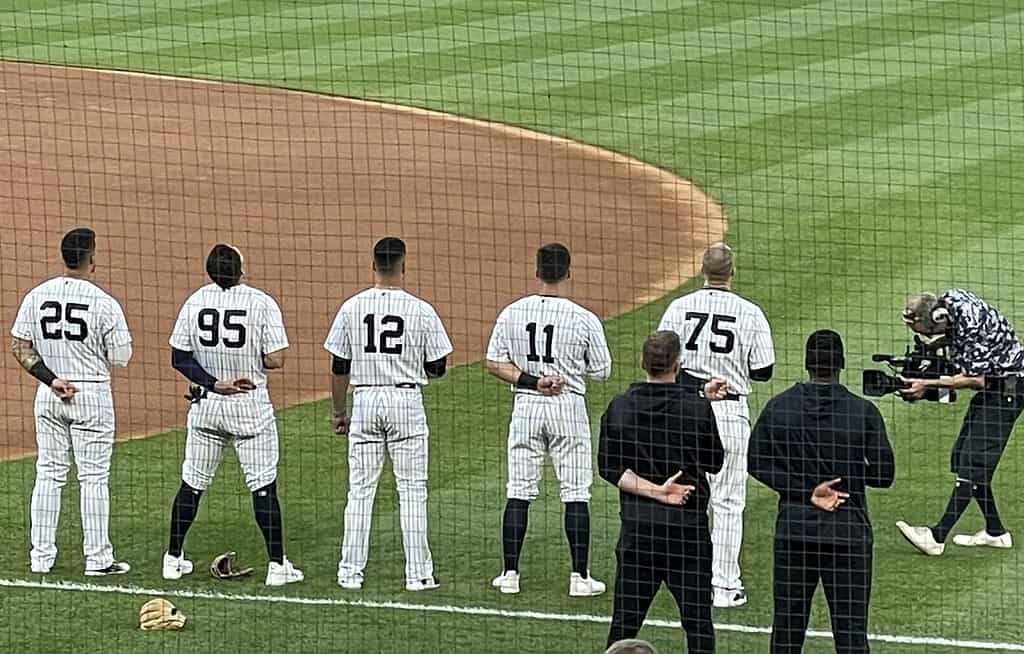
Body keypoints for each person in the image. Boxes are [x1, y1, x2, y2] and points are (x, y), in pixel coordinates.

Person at [163, 244, 303, 586]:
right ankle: (277, 566)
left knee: (192, 484)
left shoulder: (195, 301)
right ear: (240, 268)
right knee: (263, 486)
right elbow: (276, 359)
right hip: (249, 408)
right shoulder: (261, 302)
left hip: (207, 406)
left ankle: (173, 559)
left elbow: (179, 357)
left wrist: (214, 382)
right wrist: (249, 359)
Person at [749, 329, 895, 654]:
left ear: (807, 364)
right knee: (851, 634)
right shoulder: (863, 412)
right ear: (841, 363)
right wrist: (851, 475)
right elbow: (885, 475)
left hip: (795, 533)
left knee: (787, 630)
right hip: (848, 535)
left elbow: (756, 463)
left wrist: (804, 491)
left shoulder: (779, 407)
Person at [325, 237, 453, 592]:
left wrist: (339, 411)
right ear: (403, 265)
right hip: (406, 401)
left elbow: (339, 366)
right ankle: (419, 575)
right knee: (412, 491)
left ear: (373, 264)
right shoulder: (420, 309)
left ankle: (349, 573)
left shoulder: (352, 307)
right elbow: (439, 366)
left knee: (360, 492)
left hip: (364, 401)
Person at [486, 243, 612, 597]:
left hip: (526, 405)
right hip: (567, 406)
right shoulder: (583, 317)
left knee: (519, 491)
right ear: (568, 272)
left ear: (536, 270)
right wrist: (569, 371)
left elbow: (495, 362)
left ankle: (510, 574)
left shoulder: (512, 312)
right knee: (575, 492)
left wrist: (532, 380)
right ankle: (580, 578)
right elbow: (602, 371)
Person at [657, 242, 775, 607]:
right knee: (726, 502)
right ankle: (724, 587)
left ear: (702, 270)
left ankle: (682, 581)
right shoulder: (749, 312)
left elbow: (661, 358)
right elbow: (763, 371)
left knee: (681, 494)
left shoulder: (679, 308)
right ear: (732, 272)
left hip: (685, 411)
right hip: (729, 414)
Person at [10, 227, 133, 575]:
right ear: (91, 259)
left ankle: (41, 558)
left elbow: (20, 345)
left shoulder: (37, 295)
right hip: (91, 395)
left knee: (48, 474)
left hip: (49, 393)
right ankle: (98, 559)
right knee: (93, 478)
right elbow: (121, 356)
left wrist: (52, 379)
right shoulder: (103, 302)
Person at [598, 331, 725, 653]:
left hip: (638, 533)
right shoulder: (696, 409)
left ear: (643, 362)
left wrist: (654, 491)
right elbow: (714, 462)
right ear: (678, 364)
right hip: (687, 534)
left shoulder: (620, 406)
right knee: (698, 624)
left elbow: (610, 469)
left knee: (624, 623)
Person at [896, 289, 1024, 554]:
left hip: (1009, 389)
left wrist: (926, 383)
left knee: (973, 463)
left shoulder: (971, 323)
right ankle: (996, 532)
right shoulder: (950, 304)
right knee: (963, 457)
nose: (922, 335)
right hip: (996, 387)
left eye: (923, 329)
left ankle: (936, 537)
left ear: (937, 317)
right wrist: (931, 349)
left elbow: (976, 379)